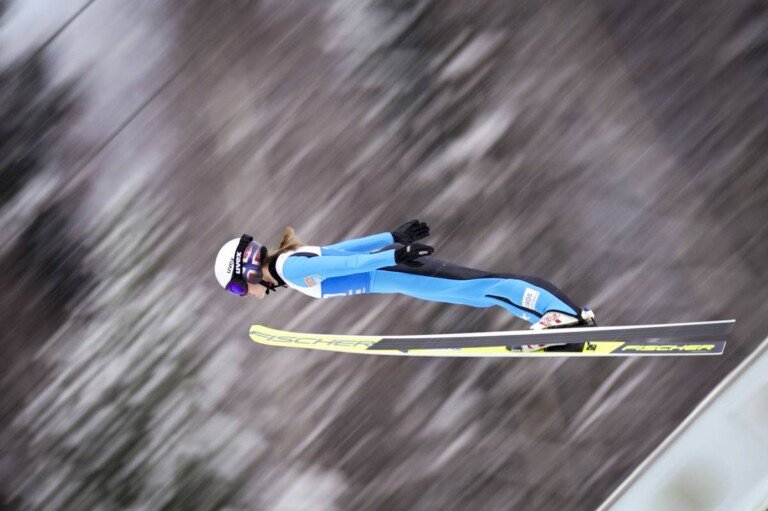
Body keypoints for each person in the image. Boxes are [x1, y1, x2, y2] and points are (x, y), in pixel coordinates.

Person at [214, 220, 596, 349]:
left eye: (236, 289)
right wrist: (390, 236)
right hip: (395, 274)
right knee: (481, 292)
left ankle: (562, 316)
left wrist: (392, 254)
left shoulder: (290, 270)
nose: (242, 295)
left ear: (246, 268)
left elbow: (349, 262)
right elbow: (340, 250)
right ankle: (559, 322)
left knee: (484, 286)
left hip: (396, 273)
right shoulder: (287, 264)